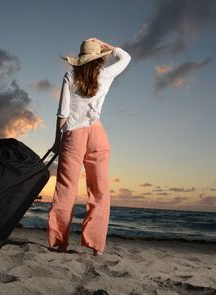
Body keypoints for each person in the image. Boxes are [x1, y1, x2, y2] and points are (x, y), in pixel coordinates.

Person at [47, 37, 131, 256]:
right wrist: (107, 46)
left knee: (65, 190)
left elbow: (62, 114)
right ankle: (95, 246)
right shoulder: (105, 74)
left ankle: (59, 243)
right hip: (97, 135)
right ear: (99, 58)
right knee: (100, 192)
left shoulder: (70, 76)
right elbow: (126, 57)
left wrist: (58, 141)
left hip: (73, 136)